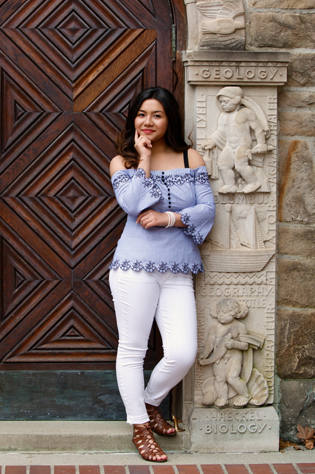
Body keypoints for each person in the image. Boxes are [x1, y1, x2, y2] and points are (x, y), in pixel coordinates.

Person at [108, 86, 214, 462]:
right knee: (133, 350)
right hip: (133, 268)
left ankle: (151, 402)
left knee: (184, 352)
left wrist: (170, 218)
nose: (148, 122)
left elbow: (207, 211)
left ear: (170, 119)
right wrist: (144, 160)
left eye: (156, 115)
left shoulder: (190, 158)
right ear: (133, 119)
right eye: (141, 114)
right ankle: (139, 426)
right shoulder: (122, 162)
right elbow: (134, 203)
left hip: (178, 270)